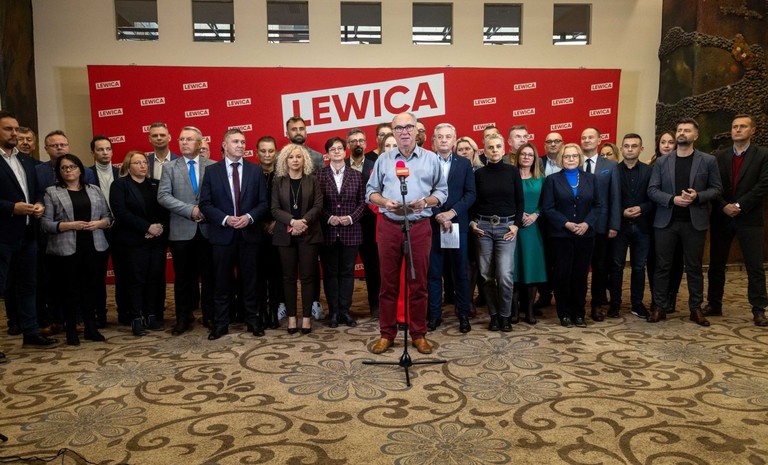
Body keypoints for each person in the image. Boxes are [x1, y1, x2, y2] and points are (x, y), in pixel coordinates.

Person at [366, 111, 448, 355]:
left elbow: (442, 192)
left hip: (419, 226)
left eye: (408, 127)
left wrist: (426, 202)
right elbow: (370, 192)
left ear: (416, 130)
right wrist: (384, 202)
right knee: (388, 285)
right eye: (399, 128)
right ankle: (386, 334)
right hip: (389, 226)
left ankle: (419, 334)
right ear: (393, 132)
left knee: (419, 284)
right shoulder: (383, 160)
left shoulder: (431, 158)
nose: (404, 132)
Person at [647, 118, 722, 326]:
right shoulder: (662, 162)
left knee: (694, 268)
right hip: (666, 222)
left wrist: (697, 196)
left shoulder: (708, 161)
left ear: (695, 136)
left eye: (687, 130)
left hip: (694, 222)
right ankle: (659, 307)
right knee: (662, 267)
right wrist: (672, 199)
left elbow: (717, 189)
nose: (682, 133)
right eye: (679, 130)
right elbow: (652, 190)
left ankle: (695, 309)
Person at [199, 129, 269, 340]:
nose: (240, 145)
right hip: (222, 235)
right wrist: (225, 219)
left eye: (243, 142)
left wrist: (249, 217)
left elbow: (264, 203)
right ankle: (221, 324)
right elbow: (205, 204)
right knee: (221, 282)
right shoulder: (212, 171)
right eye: (236, 141)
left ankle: (253, 321)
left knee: (251, 281)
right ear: (224, 145)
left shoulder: (255, 171)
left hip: (249, 235)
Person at [0, 111, 56, 352]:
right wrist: (11, 208)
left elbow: (35, 192)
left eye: (16, 128)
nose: (14, 133)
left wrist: (39, 204)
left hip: (28, 234)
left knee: (28, 286)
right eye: (8, 129)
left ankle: (31, 332)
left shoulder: (25, 160)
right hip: (3, 235)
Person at [41, 154, 111, 345]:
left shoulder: (95, 190)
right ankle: (71, 330)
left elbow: (108, 218)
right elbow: (46, 224)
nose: (68, 170)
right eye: (64, 168)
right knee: (69, 291)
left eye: (72, 166)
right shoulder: (52, 192)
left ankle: (90, 328)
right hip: (65, 249)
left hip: (93, 246)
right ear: (59, 172)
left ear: (80, 169)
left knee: (90, 289)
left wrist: (99, 223)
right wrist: (69, 225)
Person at [705, 115, 768, 326]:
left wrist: (740, 205)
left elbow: (763, 184)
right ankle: (714, 304)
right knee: (716, 263)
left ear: (752, 130)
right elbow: (713, 185)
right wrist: (724, 205)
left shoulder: (763, 155)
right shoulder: (719, 157)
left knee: (754, 265)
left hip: (749, 217)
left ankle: (758, 309)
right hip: (722, 215)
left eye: (742, 126)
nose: (738, 130)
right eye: (734, 127)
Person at [157, 126, 216, 335]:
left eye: (189, 139)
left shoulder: (213, 166)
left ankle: (210, 316)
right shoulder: (170, 167)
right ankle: (183, 318)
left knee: (209, 277)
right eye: (182, 139)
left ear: (200, 143)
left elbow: (220, 195)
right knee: (182, 278)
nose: (184, 142)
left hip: (208, 230)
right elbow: (163, 196)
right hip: (181, 231)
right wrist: (190, 210)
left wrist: (206, 211)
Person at [541, 143, 601, 328]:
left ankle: (579, 313)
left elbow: (598, 206)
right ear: (561, 158)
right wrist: (565, 223)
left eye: (574, 156)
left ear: (580, 158)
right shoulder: (552, 180)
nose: (571, 159)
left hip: (585, 234)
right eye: (567, 156)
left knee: (580, 275)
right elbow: (548, 208)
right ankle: (564, 313)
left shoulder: (591, 179)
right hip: (561, 236)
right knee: (562, 274)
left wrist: (586, 223)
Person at [110, 151, 169, 336]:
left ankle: (151, 315)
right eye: (137, 163)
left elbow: (165, 209)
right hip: (132, 241)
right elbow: (121, 212)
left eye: (144, 162)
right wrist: (146, 227)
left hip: (155, 240)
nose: (142, 166)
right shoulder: (120, 185)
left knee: (153, 278)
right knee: (136, 280)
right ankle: (136, 317)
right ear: (128, 166)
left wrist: (158, 227)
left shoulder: (155, 184)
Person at [470, 133, 523, 332]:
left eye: (498, 146)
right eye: (490, 147)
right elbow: (473, 201)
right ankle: (493, 316)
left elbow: (520, 201)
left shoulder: (512, 172)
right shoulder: (479, 174)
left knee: (505, 275)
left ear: (504, 149)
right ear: (484, 151)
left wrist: (516, 225)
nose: (494, 150)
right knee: (486, 276)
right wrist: (472, 222)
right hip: (483, 228)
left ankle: (505, 316)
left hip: (506, 228)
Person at [427, 123, 476, 334]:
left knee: (460, 273)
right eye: (440, 137)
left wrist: (451, 213)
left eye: (448, 136)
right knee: (434, 273)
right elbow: (423, 191)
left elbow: (470, 193)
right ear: (434, 141)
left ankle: (463, 314)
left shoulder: (464, 163)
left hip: (458, 225)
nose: (444, 140)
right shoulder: (426, 162)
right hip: (433, 224)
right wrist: (439, 214)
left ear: (454, 140)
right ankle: (434, 315)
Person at [271, 143, 324, 334]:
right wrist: (293, 222)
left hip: (309, 234)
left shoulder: (313, 180)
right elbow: (274, 209)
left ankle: (307, 318)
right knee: (288, 277)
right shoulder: (278, 182)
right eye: (291, 157)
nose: (295, 160)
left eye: (298, 157)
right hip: (285, 236)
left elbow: (318, 206)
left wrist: (303, 222)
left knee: (308, 277)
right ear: (285, 160)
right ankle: (292, 317)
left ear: (305, 160)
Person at [319, 137, 365, 328]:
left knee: (347, 273)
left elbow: (363, 202)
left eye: (340, 148)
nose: (337, 151)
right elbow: (316, 203)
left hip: (351, 231)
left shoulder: (356, 175)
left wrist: (351, 218)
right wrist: (328, 217)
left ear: (345, 151)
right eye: (333, 149)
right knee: (330, 273)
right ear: (327, 154)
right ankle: (333, 312)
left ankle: (345, 311)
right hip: (328, 232)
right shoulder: (318, 175)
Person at [607, 134, 653, 318]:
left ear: (641, 149)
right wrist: (621, 212)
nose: (630, 149)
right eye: (626, 146)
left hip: (642, 226)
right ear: (622, 148)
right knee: (616, 266)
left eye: (634, 146)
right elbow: (608, 198)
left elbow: (654, 197)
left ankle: (637, 304)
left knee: (639, 267)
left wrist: (642, 208)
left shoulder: (649, 171)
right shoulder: (613, 170)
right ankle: (615, 304)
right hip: (619, 226)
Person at [580, 127, 617, 322]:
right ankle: (578, 304)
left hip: (602, 225)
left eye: (590, 137)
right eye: (584, 137)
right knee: (579, 267)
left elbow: (615, 197)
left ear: (599, 140)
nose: (587, 140)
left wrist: (614, 224)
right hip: (579, 225)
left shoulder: (610, 166)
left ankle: (597, 305)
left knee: (600, 267)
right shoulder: (573, 162)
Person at [647, 130, 683, 316]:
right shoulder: (650, 166)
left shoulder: (682, 164)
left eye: (670, 142)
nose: (667, 145)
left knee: (675, 260)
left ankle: (671, 297)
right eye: (663, 142)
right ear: (658, 145)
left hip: (676, 219)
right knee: (654, 261)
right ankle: (657, 298)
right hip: (653, 220)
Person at [345, 128, 379, 318]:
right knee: (346, 268)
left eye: (360, 140)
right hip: (348, 224)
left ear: (365, 144)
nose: (357, 144)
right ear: (348, 145)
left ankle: (375, 304)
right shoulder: (341, 165)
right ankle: (344, 308)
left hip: (370, 224)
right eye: (353, 141)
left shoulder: (375, 165)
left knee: (373, 267)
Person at [513, 143, 547, 324]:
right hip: (514, 228)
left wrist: (535, 214)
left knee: (532, 269)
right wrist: (519, 215)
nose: (526, 157)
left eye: (530, 155)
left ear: (535, 159)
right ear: (517, 156)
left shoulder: (541, 179)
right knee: (514, 270)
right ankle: (514, 312)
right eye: (523, 154)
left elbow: (546, 203)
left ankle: (529, 311)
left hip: (534, 229)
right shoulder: (511, 177)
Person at [88, 135, 119, 328]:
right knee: (97, 275)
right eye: (100, 149)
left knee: (124, 273)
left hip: (121, 229)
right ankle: (99, 313)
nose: (105, 152)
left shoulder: (121, 172)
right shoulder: (86, 174)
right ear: (93, 152)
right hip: (97, 229)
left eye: (108, 149)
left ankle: (125, 311)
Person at [255, 136, 284, 329]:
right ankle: (261, 312)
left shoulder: (283, 175)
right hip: (255, 231)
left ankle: (274, 312)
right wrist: (260, 223)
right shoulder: (251, 173)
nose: (267, 155)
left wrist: (277, 222)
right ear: (257, 153)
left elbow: (288, 203)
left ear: (276, 152)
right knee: (258, 275)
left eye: (271, 151)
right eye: (263, 151)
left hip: (278, 231)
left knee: (276, 275)